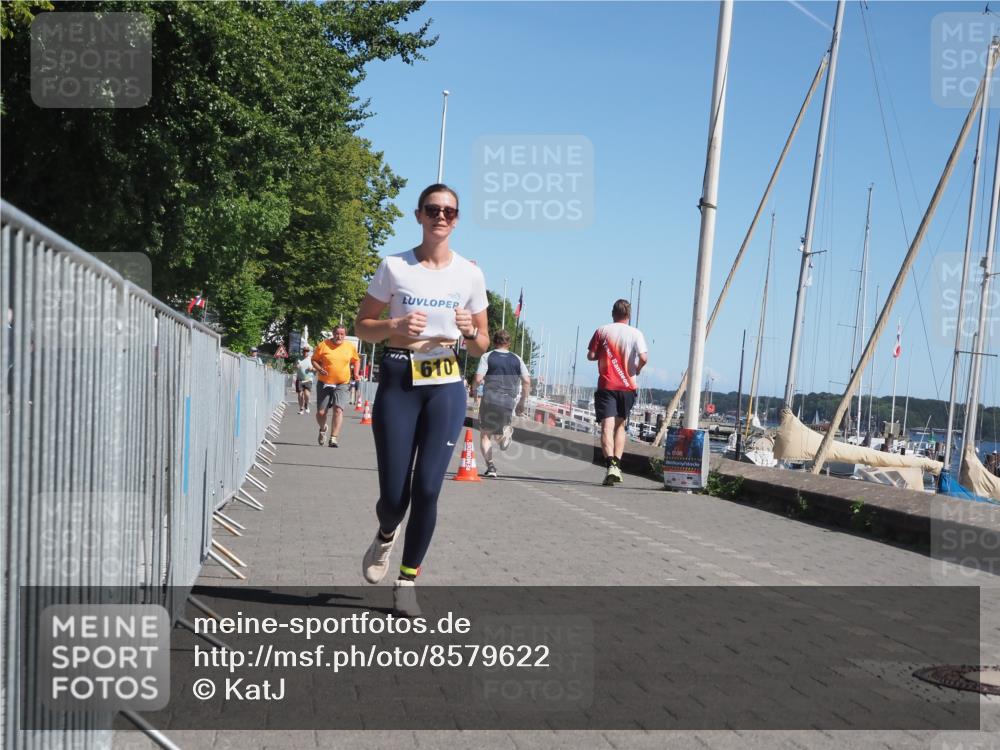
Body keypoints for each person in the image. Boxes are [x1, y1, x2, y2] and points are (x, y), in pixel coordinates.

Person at [355, 183, 488, 616]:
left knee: (428, 487)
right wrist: (394, 324)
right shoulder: (395, 266)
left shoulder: (470, 274)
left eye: (450, 211)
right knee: (395, 495)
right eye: (433, 209)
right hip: (398, 376)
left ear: (457, 219)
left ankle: (408, 579)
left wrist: (470, 332)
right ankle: (386, 533)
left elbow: (481, 345)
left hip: (446, 381)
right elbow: (362, 327)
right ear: (419, 215)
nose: (441, 217)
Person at [587, 299, 648, 486]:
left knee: (606, 426)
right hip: (627, 387)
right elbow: (644, 357)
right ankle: (618, 465)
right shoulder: (636, 333)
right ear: (628, 316)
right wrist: (636, 369)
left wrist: (602, 354)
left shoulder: (602, 330)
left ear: (613, 313)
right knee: (620, 427)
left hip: (607, 385)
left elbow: (590, 355)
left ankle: (611, 466)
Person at [475, 329, 531, 478]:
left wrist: (475, 390)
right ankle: (503, 436)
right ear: (509, 344)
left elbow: (479, 378)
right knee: (498, 430)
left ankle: (491, 467)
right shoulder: (517, 359)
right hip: (508, 401)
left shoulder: (487, 356)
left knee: (486, 435)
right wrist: (522, 401)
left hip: (489, 399)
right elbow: (526, 381)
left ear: (494, 342)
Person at [311, 327, 360, 448]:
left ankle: (333, 438)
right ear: (333, 334)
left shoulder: (349, 347)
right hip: (325, 382)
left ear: (345, 335)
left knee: (338, 410)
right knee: (321, 413)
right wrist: (319, 369)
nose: (339, 336)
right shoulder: (323, 345)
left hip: (342, 383)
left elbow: (356, 360)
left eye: (342, 334)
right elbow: (314, 360)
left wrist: (356, 373)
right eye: (337, 334)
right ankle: (323, 429)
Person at [295, 344, 315, 414]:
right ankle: (301, 408)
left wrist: (312, 369)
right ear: (302, 351)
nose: (305, 352)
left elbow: (316, 369)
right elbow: (294, 366)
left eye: (307, 351)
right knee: (300, 394)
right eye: (304, 351)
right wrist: (296, 366)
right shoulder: (298, 358)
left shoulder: (311, 359)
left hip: (308, 379)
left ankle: (306, 404)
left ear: (309, 352)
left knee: (307, 394)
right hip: (299, 379)